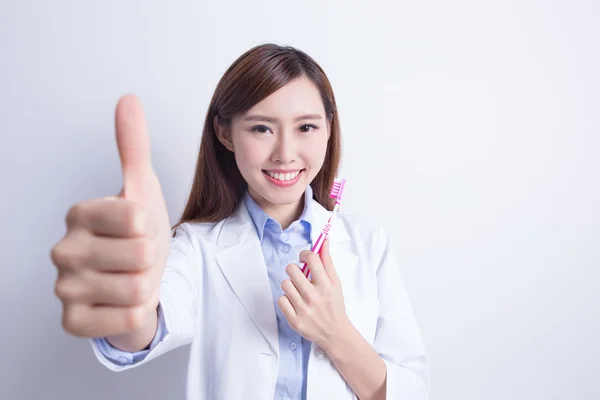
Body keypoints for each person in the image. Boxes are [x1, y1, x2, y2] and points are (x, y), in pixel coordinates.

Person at [50, 43, 430, 400]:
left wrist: (336, 334)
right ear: (224, 133)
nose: (285, 153)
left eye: (306, 127)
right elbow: (144, 328)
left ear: (329, 129)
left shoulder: (368, 242)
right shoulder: (195, 246)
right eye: (261, 128)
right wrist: (125, 300)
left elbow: (409, 389)